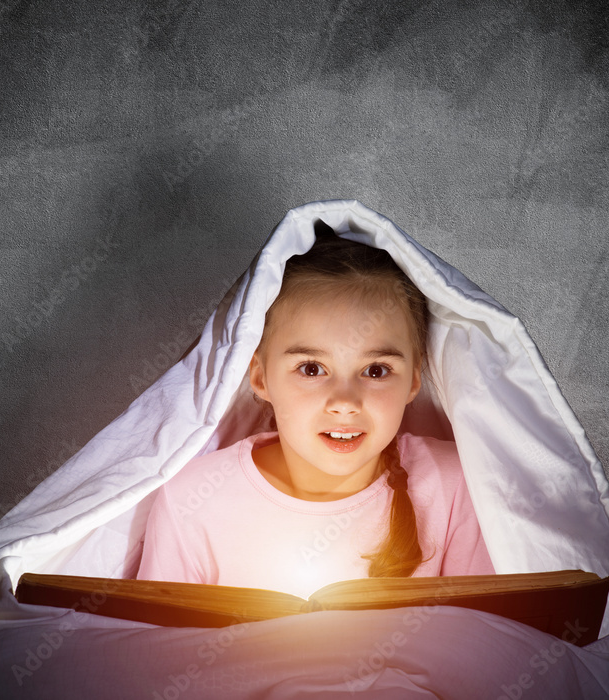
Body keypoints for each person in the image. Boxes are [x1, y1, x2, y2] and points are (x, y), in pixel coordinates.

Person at [137, 227, 493, 599]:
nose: (345, 401)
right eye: (311, 369)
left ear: (414, 380)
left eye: (375, 371)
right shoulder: (193, 500)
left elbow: (489, 642)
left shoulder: (457, 485)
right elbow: (158, 647)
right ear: (260, 377)